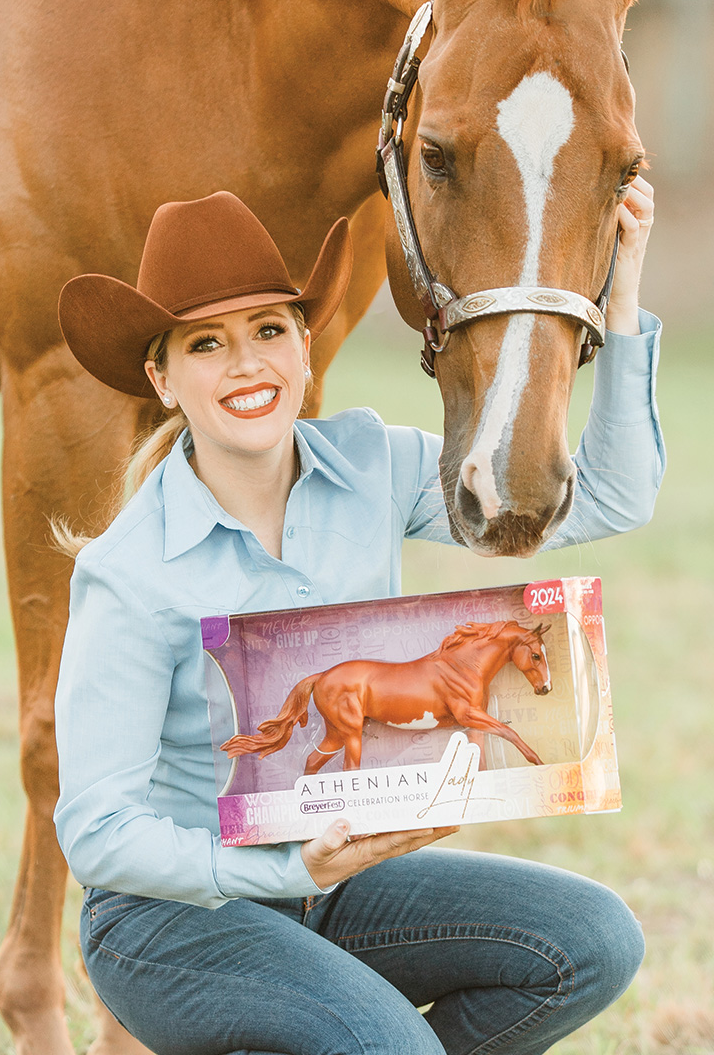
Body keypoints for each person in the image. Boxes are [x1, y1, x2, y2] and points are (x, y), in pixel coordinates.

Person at [54, 184, 662, 1055]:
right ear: (162, 378)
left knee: (592, 942)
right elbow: (97, 835)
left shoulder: (376, 464)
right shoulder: (130, 572)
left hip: (337, 877)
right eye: (205, 344)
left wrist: (624, 292)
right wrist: (278, 870)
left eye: (269, 330)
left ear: (306, 346)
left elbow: (607, 498)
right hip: (171, 918)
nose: (247, 364)